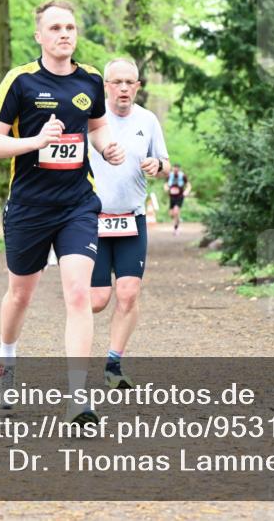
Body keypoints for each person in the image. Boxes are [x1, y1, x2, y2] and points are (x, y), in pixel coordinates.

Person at [0, 0, 125, 426]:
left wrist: (107, 147)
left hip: (77, 203)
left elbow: (97, 126)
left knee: (79, 295)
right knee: (21, 294)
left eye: (71, 27)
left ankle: (79, 397)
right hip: (29, 206)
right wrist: (35, 141)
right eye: (56, 28)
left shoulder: (91, 80)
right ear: (40, 36)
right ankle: (5, 354)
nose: (65, 34)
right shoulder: (20, 82)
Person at [89, 58, 170, 389]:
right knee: (97, 300)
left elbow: (166, 165)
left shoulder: (148, 121)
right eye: (117, 82)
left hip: (131, 221)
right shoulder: (91, 120)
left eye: (130, 82)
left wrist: (157, 165)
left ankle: (113, 363)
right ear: (106, 86)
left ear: (138, 87)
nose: (123, 88)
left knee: (128, 293)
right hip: (91, 220)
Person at [164, 164, 190, 235]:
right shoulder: (170, 175)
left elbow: (188, 185)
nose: (175, 171)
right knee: (171, 214)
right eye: (174, 169)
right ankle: (178, 219)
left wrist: (186, 191)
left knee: (176, 212)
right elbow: (166, 184)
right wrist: (166, 188)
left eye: (177, 169)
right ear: (173, 169)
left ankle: (176, 229)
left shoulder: (183, 176)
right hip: (172, 197)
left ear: (179, 169)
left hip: (180, 196)